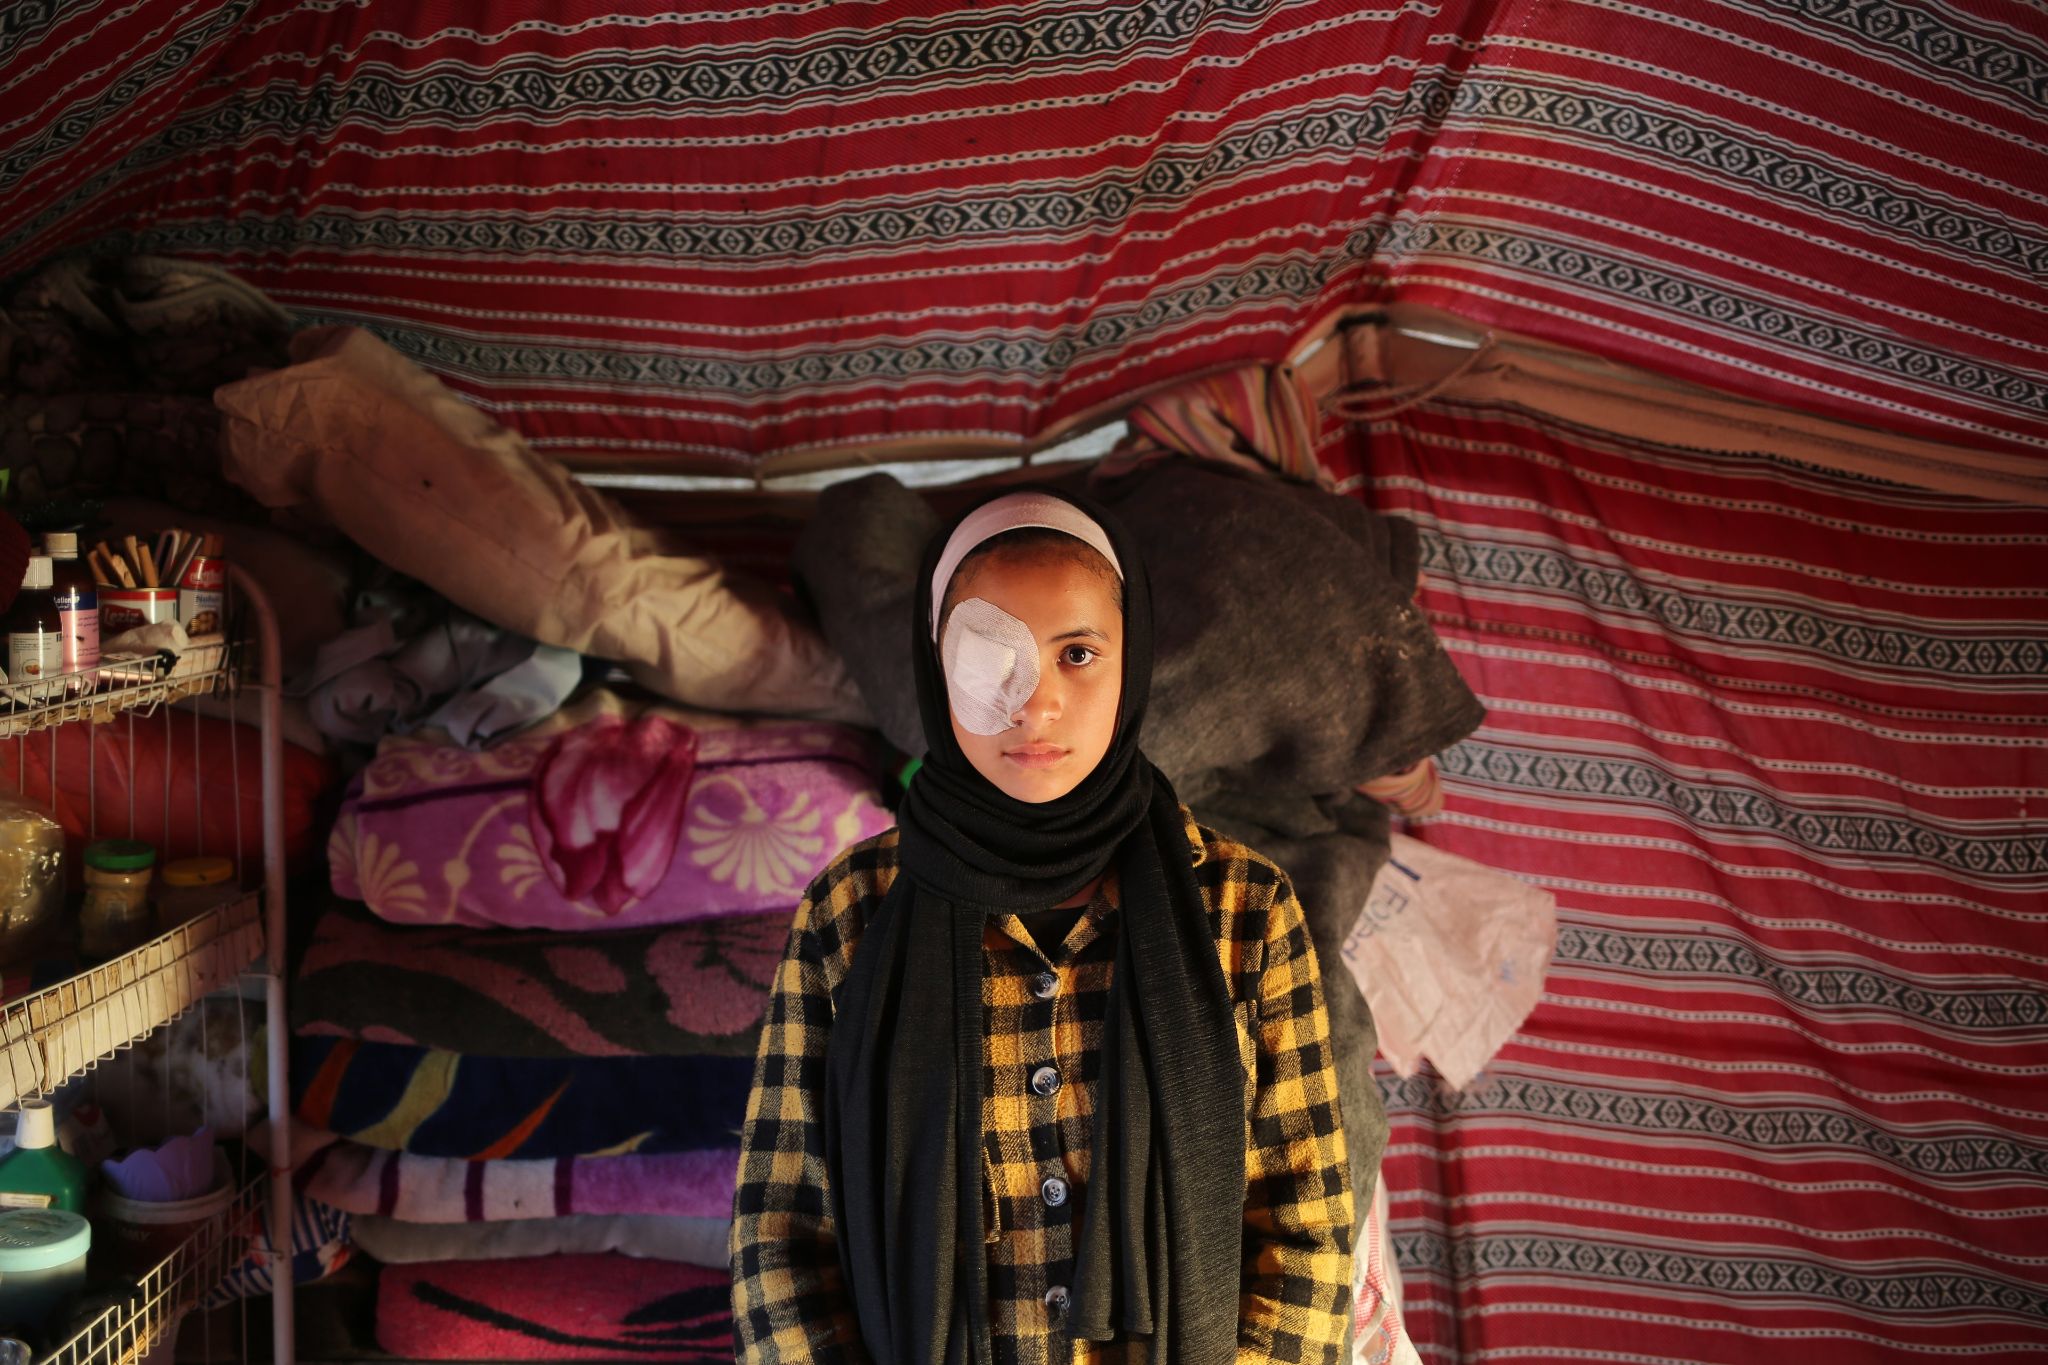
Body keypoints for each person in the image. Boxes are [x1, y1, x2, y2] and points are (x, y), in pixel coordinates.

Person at [730, 488, 1354, 1364]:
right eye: (990, 655)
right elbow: (781, 1234)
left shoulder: (1244, 907)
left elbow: (1307, 1228)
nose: (1037, 702)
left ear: (1134, 660)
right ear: (936, 667)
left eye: (1078, 653)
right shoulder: (852, 911)